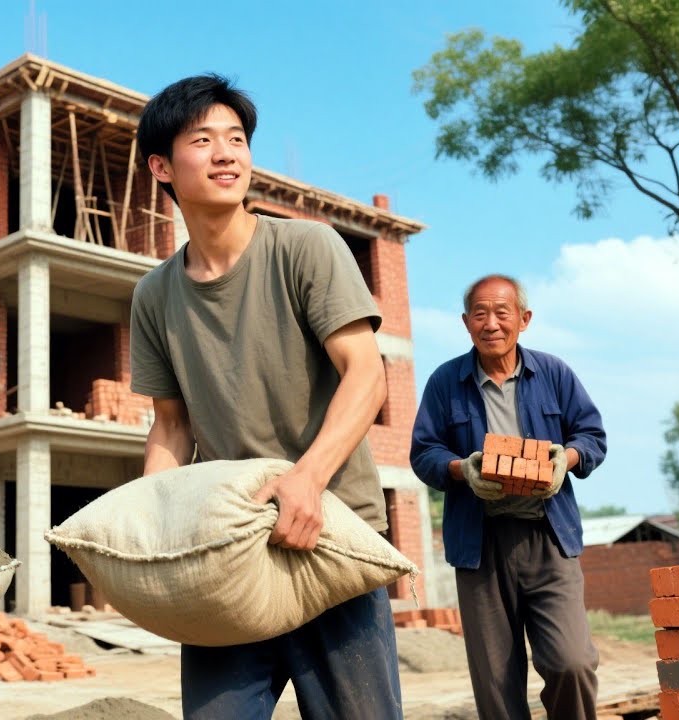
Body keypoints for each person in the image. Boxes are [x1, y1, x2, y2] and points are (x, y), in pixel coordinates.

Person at [129, 73, 401, 720]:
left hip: (332, 540)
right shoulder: (154, 296)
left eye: (237, 138)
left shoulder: (307, 248)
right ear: (162, 166)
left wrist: (307, 481)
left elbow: (366, 374)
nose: (228, 153)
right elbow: (171, 427)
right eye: (204, 140)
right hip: (230, 551)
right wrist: (153, 528)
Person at [409, 274, 607, 719]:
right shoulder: (445, 382)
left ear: (524, 318)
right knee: (497, 684)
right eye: (480, 313)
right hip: (479, 547)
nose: (492, 324)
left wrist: (567, 459)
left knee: (571, 662)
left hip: (549, 539)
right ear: (465, 322)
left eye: (502, 312)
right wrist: (463, 469)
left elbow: (592, 435)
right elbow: (424, 454)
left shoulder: (553, 373)